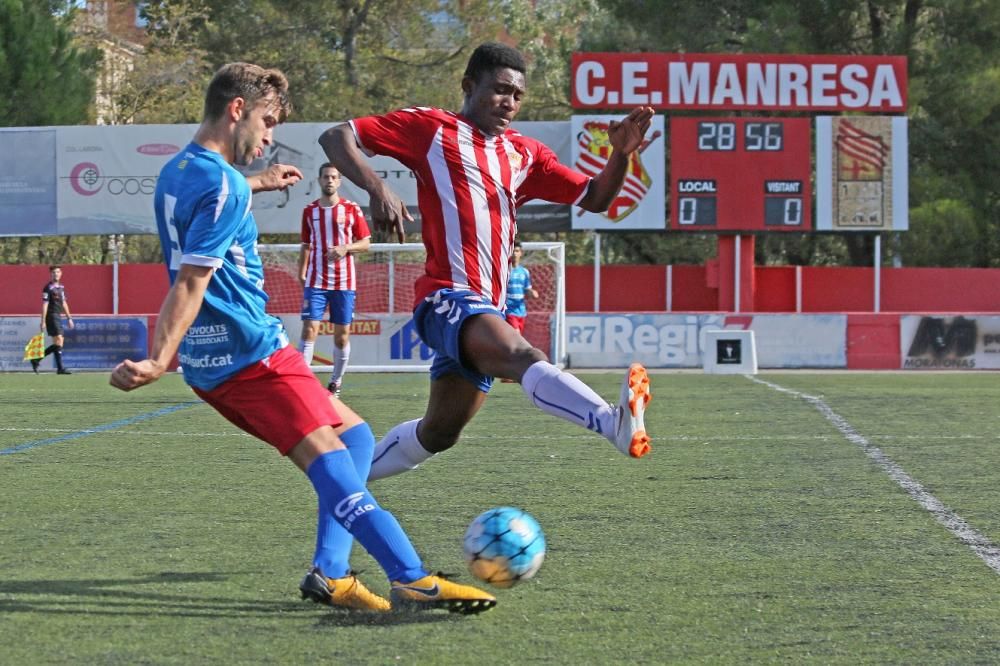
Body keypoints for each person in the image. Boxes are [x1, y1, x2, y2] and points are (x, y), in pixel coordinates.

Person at [109, 62, 495, 614]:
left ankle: (331, 574)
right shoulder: (222, 185)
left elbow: (213, 202)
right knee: (331, 458)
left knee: (357, 438)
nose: (269, 139)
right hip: (250, 356)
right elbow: (192, 281)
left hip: (219, 358)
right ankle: (411, 577)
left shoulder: (181, 171)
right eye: (266, 123)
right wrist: (155, 359)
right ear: (236, 110)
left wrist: (260, 183)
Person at [318, 42, 654, 482]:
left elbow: (595, 197)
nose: (509, 103)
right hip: (447, 297)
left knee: (438, 433)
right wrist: (377, 189)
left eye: (517, 95)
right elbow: (336, 136)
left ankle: (344, 484)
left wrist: (621, 155)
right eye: (499, 90)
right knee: (523, 354)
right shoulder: (431, 129)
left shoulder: (525, 154)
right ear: (468, 86)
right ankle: (612, 423)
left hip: (485, 310)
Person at [297, 163, 371, 397]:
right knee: (309, 330)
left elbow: (366, 243)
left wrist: (345, 248)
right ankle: (302, 386)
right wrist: (302, 271)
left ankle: (335, 382)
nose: (329, 180)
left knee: (342, 336)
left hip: (344, 283)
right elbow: (306, 245)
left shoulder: (351, 209)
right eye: (325, 177)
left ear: (339, 181)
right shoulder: (309, 211)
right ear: (319, 180)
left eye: (334, 177)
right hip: (316, 281)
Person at [32, 265, 75, 374]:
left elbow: (64, 302)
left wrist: (69, 318)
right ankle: (59, 368)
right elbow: (45, 305)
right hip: (51, 316)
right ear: (50, 274)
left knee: (59, 343)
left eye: (57, 272)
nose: (56, 274)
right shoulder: (48, 288)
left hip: (58, 316)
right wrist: (43, 321)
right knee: (59, 340)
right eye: (53, 272)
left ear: (61, 274)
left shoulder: (61, 287)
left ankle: (37, 360)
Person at [504, 241, 538, 335]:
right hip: (509, 310)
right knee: (516, 335)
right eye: (513, 251)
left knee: (514, 339)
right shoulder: (505, 270)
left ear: (521, 253)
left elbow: (527, 289)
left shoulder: (524, 272)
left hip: (521, 311)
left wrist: (532, 292)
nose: (515, 253)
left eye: (517, 251)